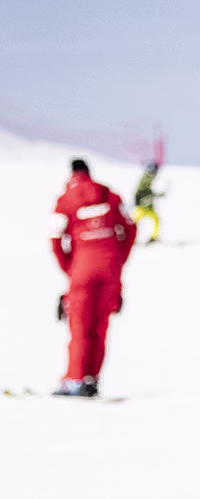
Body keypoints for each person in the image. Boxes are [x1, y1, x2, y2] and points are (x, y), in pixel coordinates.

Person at [49, 159, 135, 396]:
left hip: (81, 269)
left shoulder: (65, 200)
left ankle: (74, 380)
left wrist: (70, 268)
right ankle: (91, 380)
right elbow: (130, 228)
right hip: (110, 268)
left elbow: (55, 239)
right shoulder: (109, 195)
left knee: (79, 326)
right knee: (100, 326)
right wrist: (118, 259)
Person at [132, 161, 164, 245]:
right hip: (143, 206)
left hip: (148, 206)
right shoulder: (145, 179)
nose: (156, 174)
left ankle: (154, 236)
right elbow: (141, 191)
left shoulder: (149, 179)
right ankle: (130, 237)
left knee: (155, 219)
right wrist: (137, 200)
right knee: (134, 222)